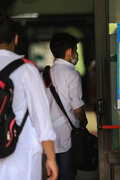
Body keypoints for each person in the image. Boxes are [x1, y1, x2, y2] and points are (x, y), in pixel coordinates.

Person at [0, 14, 58, 180]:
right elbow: (41, 117)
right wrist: (51, 158)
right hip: (21, 153)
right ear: (16, 39)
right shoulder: (26, 69)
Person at [44, 32, 88, 180]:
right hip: (68, 135)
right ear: (69, 52)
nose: (76, 54)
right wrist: (83, 121)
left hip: (48, 136)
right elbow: (78, 109)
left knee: (53, 175)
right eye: (75, 50)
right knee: (67, 174)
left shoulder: (45, 74)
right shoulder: (72, 75)